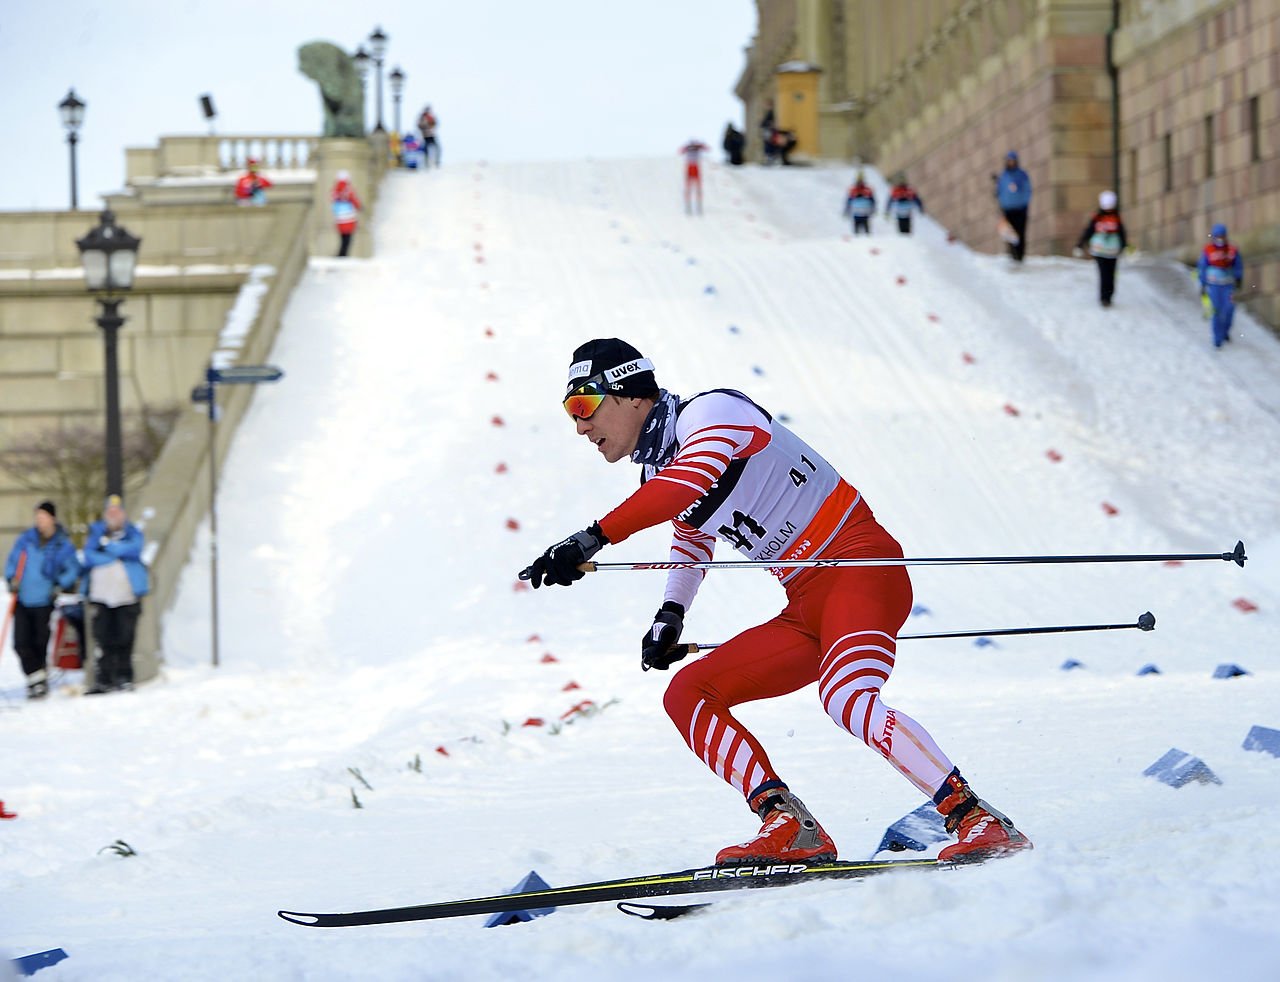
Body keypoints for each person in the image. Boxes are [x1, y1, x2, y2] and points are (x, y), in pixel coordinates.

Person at [521, 339, 1033, 867]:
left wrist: (591, 539)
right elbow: (691, 535)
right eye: (570, 414)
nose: (579, 426)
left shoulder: (713, 412)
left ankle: (976, 818)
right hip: (807, 600)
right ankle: (789, 826)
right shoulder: (658, 471)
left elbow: (686, 486)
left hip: (860, 567)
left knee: (847, 699)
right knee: (689, 693)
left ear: (630, 395)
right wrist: (669, 616)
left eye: (583, 406)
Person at [4, 501, 79, 699]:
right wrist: (11, 578)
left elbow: (72, 568)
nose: (39, 521)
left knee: (39, 642)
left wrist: (61, 584)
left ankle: (38, 681)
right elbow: (12, 561)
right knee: (20, 643)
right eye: (37, 517)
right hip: (22, 599)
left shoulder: (62, 544)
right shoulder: (25, 540)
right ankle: (35, 677)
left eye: (43, 517)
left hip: (44, 600)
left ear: (52, 518)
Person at [80, 495, 149, 694]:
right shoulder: (96, 533)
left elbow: (134, 548)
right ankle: (104, 678)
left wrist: (109, 548)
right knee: (103, 638)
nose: (113, 515)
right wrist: (116, 554)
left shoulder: (133, 532)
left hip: (126, 596)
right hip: (101, 596)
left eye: (117, 512)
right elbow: (89, 555)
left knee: (125, 637)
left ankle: (124, 677)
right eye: (110, 512)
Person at [1073, 190, 1128, 308]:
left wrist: (1124, 246)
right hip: (1100, 251)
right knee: (1103, 274)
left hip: (1113, 252)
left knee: (1111, 274)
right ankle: (1104, 298)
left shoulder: (1116, 218)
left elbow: (1122, 233)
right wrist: (1080, 244)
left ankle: (1109, 295)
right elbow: (1089, 231)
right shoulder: (1097, 217)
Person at [1197, 223, 1244, 348]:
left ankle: (1225, 331)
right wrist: (1202, 284)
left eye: (1222, 236)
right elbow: (1202, 267)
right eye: (1217, 236)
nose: (1220, 239)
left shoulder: (1232, 250)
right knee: (1216, 311)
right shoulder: (1208, 250)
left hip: (1228, 285)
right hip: (1214, 286)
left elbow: (1238, 265)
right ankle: (1217, 339)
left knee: (1229, 309)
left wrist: (1239, 279)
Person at [993, 151, 1031, 262]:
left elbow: (1027, 190)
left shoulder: (1022, 175)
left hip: (1020, 209)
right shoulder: (1003, 176)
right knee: (1009, 233)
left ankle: (1020, 256)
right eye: (1009, 161)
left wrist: (1024, 203)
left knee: (1020, 233)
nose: (1011, 163)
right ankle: (1012, 255)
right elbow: (1000, 191)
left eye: (1012, 160)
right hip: (1007, 209)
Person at [331, 170, 363, 258]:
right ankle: (343, 254)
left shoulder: (335, 190)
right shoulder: (348, 189)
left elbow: (333, 201)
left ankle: (341, 253)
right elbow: (353, 199)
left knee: (342, 237)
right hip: (349, 217)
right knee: (348, 238)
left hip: (339, 218)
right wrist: (359, 206)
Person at [680, 139, 709, 216]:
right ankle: (688, 205)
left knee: (698, 187)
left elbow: (706, 148)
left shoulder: (697, 147)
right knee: (688, 187)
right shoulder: (688, 148)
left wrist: (699, 145)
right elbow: (681, 151)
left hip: (695, 167)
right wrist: (688, 147)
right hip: (690, 167)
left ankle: (699, 205)